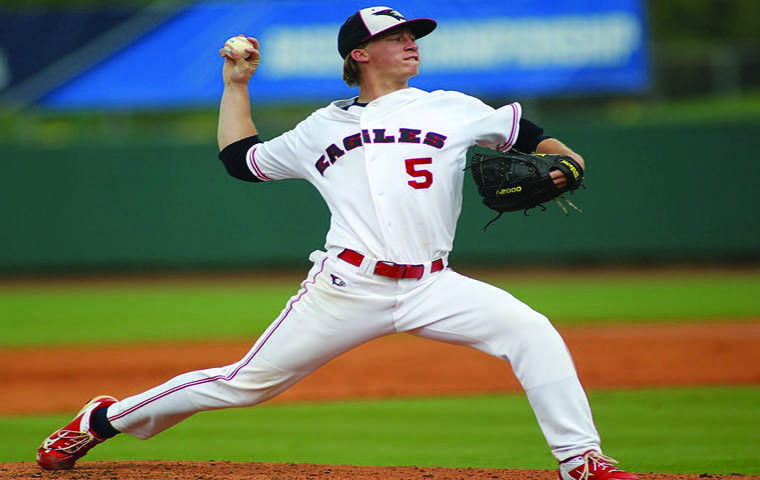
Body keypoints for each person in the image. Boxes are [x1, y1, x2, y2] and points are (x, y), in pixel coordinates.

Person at [37, 6, 639, 480]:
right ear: (360, 53)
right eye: (397, 35)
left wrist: (569, 165)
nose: (412, 41)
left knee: (530, 330)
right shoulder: (320, 127)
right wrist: (236, 85)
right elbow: (240, 160)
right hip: (348, 286)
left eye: (414, 34)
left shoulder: (455, 109)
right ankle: (103, 419)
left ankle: (581, 461)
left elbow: (544, 143)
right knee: (247, 384)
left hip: (434, 283)